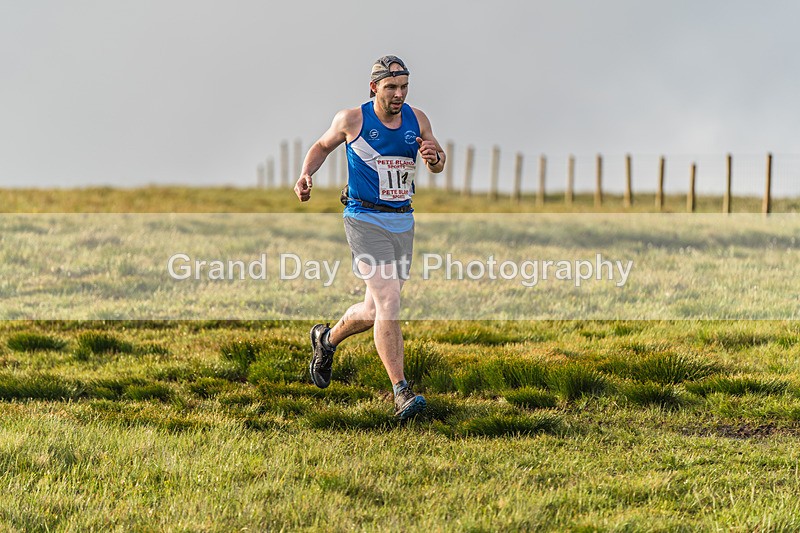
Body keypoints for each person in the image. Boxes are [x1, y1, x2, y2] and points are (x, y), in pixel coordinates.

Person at [293, 55, 445, 419]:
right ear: (374, 87)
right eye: (392, 87)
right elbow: (321, 147)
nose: (399, 94)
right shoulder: (352, 120)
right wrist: (305, 175)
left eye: (404, 87)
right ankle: (401, 392)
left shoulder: (417, 118)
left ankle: (326, 340)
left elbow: (438, 161)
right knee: (390, 302)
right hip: (363, 218)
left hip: (402, 221)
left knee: (374, 309)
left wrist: (433, 157)